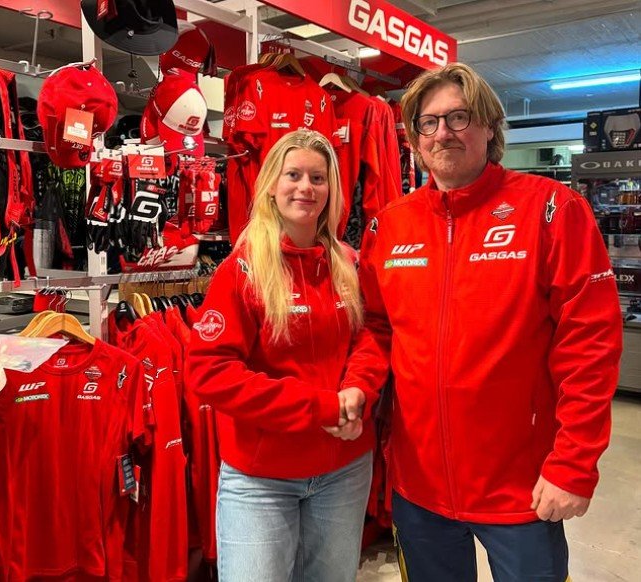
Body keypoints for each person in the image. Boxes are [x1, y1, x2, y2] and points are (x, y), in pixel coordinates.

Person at [340, 63, 623, 581]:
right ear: (414, 138)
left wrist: (574, 463)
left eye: (459, 117)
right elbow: (377, 330)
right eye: (428, 122)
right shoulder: (389, 225)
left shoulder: (552, 210)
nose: (442, 133)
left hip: (523, 488)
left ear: (489, 126)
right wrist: (359, 384)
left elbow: (590, 345)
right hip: (419, 486)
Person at [186, 129, 376, 582]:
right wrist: (319, 407)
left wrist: (358, 389)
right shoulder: (242, 269)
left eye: (318, 178)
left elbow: (370, 339)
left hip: (344, 472)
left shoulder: (349, 263)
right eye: (293, 175)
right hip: (260, 479)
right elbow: (209, 372)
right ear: (272, 184)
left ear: (331, 189)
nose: (305, 188)